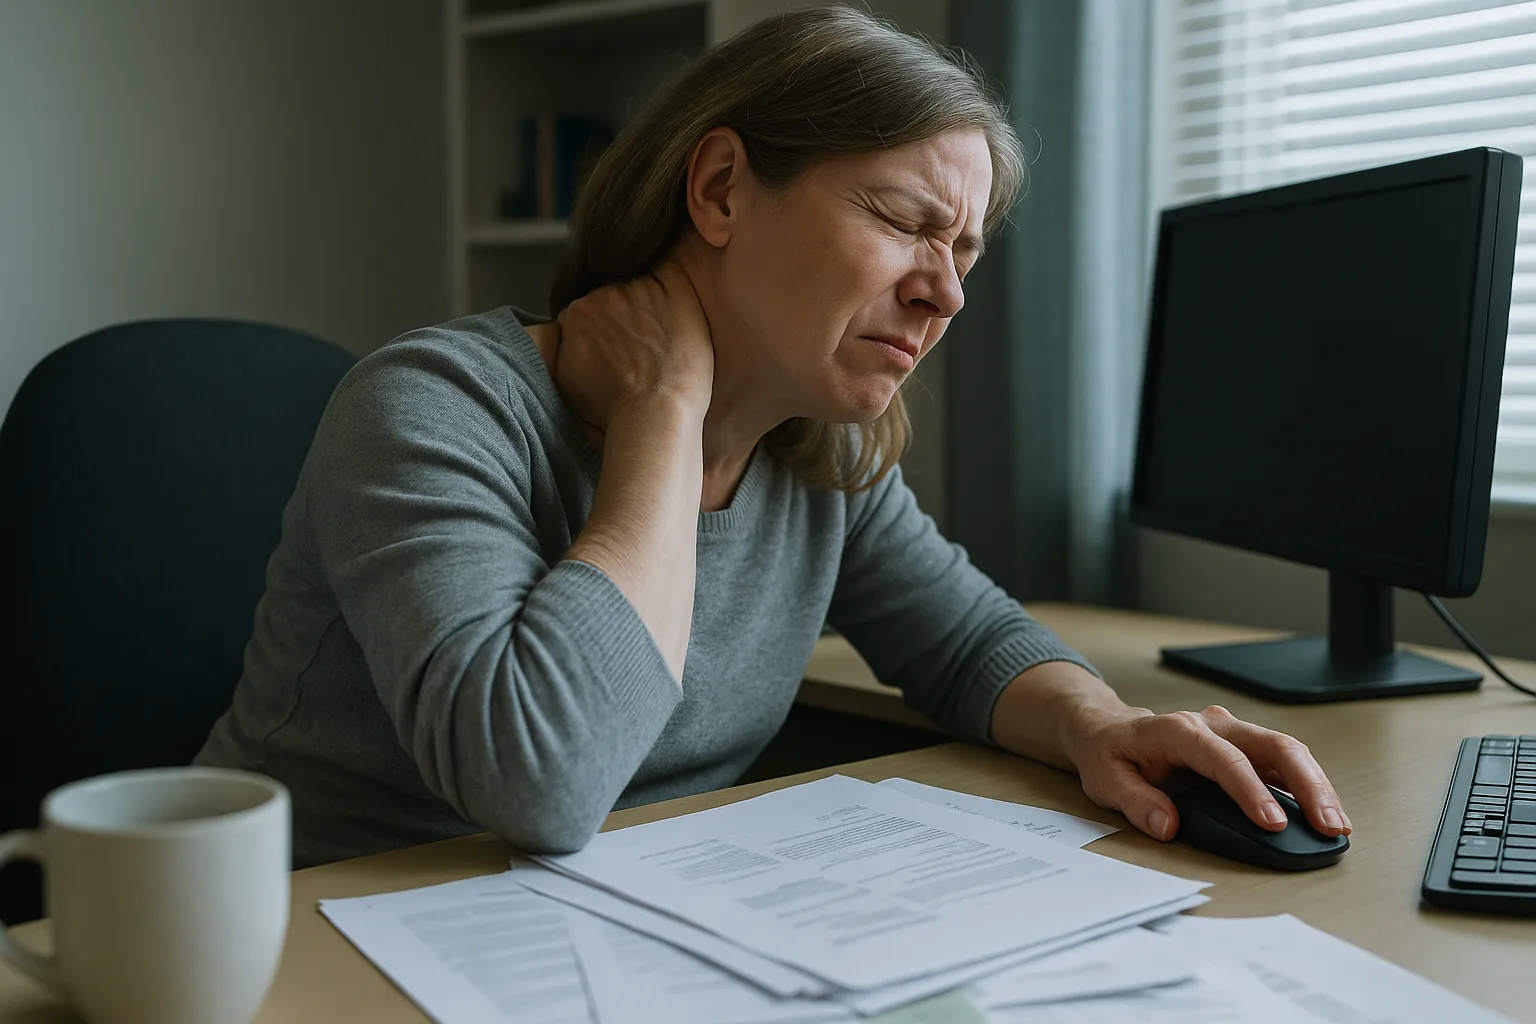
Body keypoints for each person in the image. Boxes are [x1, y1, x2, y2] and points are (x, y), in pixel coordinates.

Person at [195, 5, 1351, 868]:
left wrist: (1104, 724)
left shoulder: (818, 449)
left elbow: (963, 642)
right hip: (317, 940)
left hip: (628, 928)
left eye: (966, 255)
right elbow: (538, 780)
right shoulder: (432, 406)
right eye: (905, 223)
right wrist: (663, 412)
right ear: (721, 190)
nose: (944, 296)